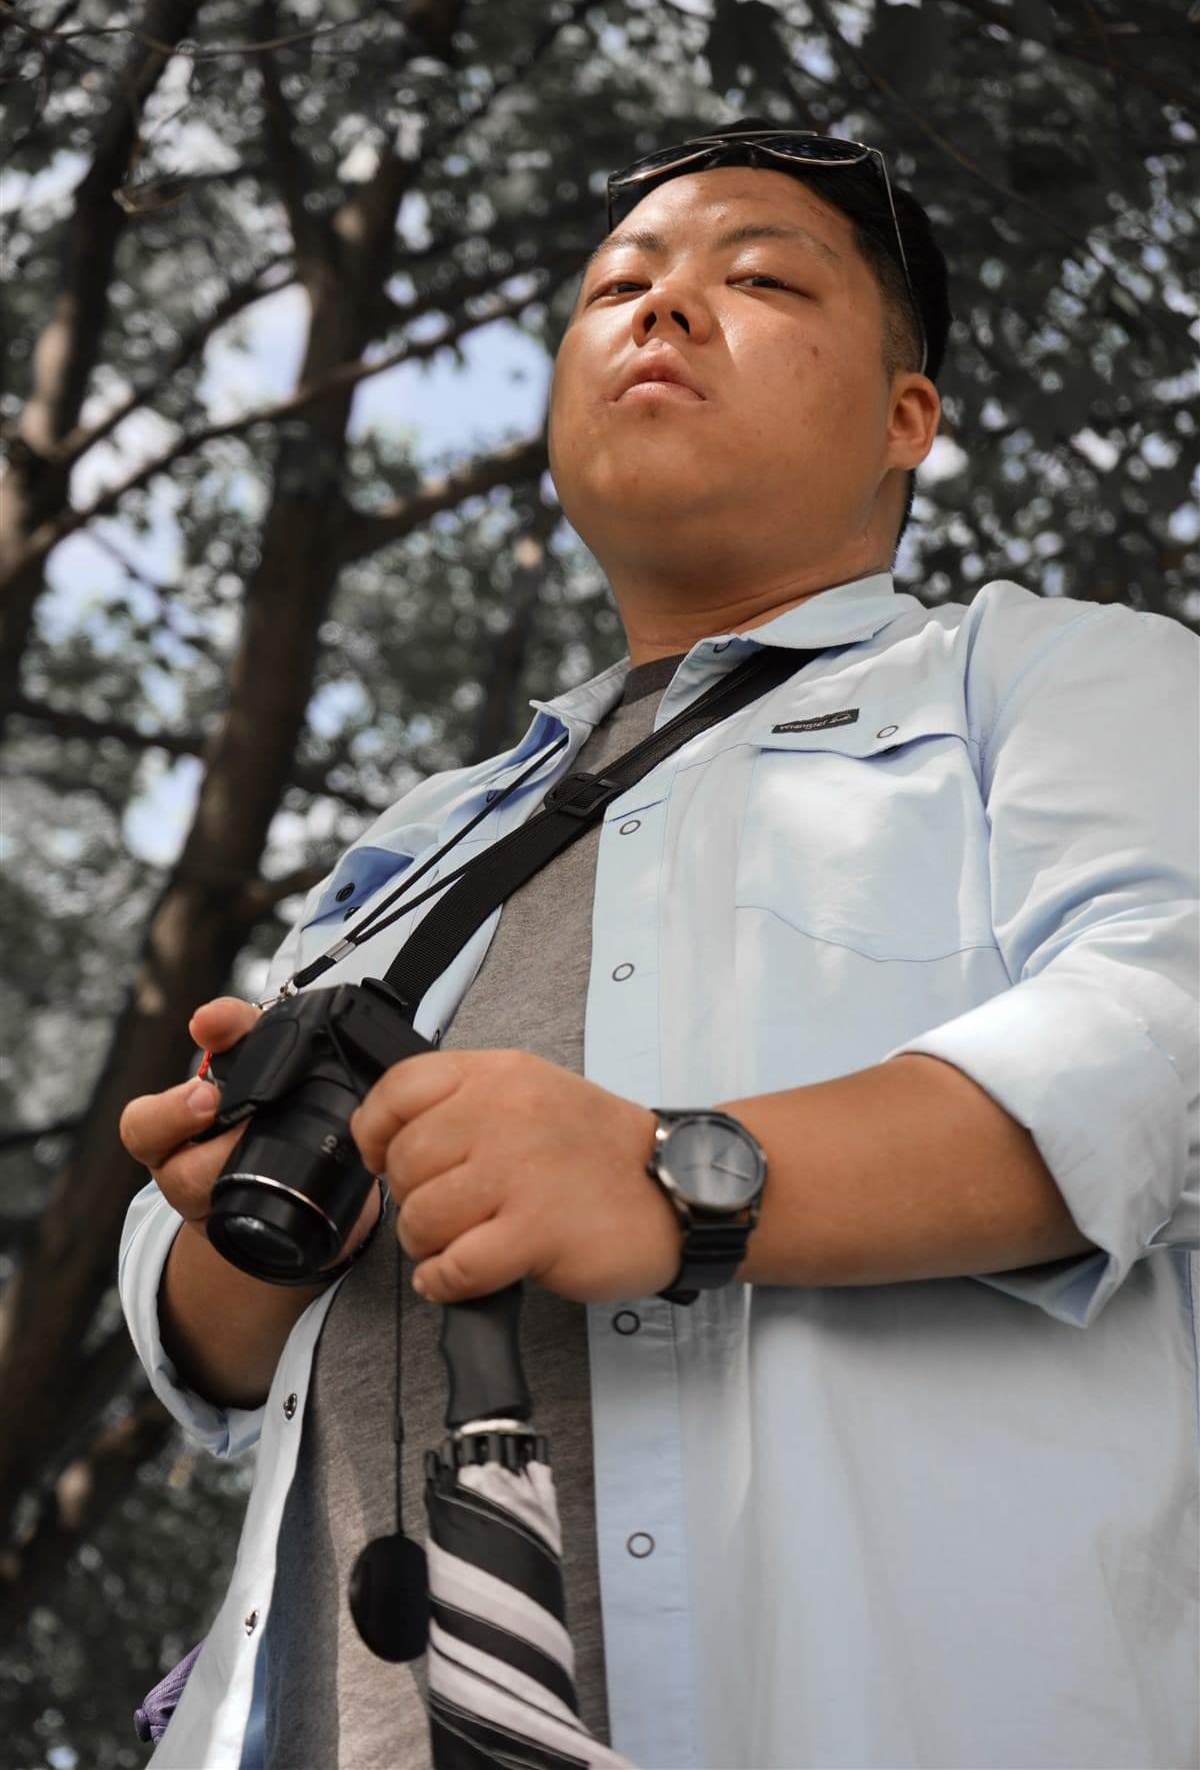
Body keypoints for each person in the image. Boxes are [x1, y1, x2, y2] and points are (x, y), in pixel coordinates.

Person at [118, 117, 1199, 1769]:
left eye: (761, 280)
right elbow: (204, 1341)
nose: (663, 307)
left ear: (907, 420)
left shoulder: (1051, 679)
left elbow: (1164, 1034)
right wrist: (229, 1215)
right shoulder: (414, 841)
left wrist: (682, 1177)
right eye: (617, 284)